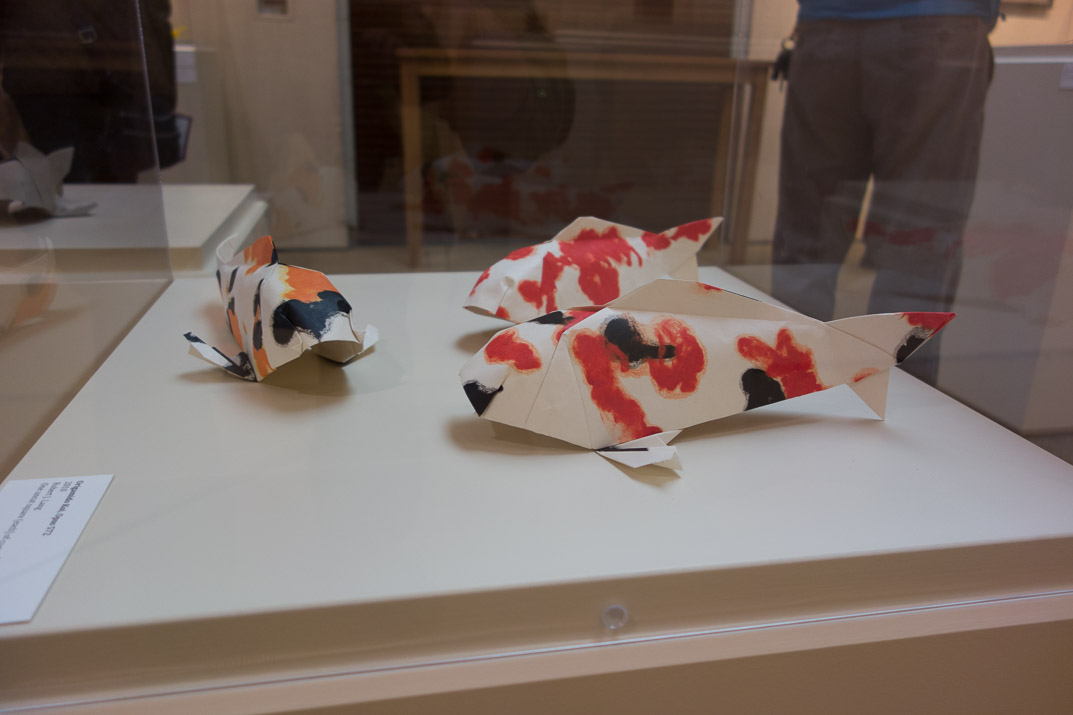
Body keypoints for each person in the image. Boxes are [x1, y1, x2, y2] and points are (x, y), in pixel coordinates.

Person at [771, 0, 999, 384]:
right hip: (936, 25)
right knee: (918, 244)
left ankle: (786, 390)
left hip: (828, 26)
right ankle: (895, 403)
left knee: (806, 241)